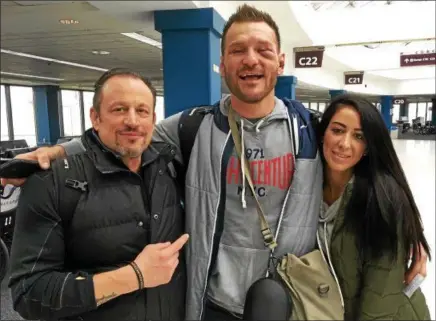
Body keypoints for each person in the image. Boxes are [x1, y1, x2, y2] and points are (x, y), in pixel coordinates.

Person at [1, 4, 427, 321]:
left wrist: (414, 233)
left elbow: (375, 168)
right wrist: (60, 152)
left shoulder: (311, 131)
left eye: (264, 49)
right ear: (221, 65)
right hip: (211, 304)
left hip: (292, 302)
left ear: (280, 61)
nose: (251, 59)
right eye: (238, 50)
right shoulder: (192, 128)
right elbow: (127, 135)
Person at [7, 68, 189, 321]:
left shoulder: (169, 168)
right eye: (119, 110)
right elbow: (29, 295)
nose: (133, 121)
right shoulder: (52, 182)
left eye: (142, 111)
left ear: (153, 119)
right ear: (95, 117)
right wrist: (134, 275)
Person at [317, 94, 431, 320]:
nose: (344, 143)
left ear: (368, 147)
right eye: (337, 130)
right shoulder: (307, 185)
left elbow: (380, 298)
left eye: (358, 136)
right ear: (322, 134)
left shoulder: (382, 200)